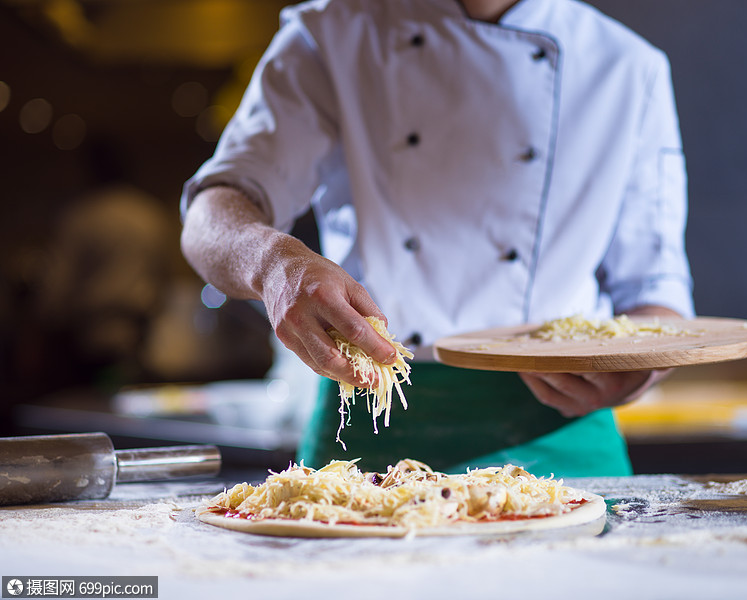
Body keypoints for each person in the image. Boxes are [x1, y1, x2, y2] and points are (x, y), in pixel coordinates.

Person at [180, 0, 694, 477]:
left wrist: (640, 369)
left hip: (565, 432)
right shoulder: (332, 33)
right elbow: (209, 214)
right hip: (369, 423)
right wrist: (274, 264)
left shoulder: (628, 67)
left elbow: (657, 293)